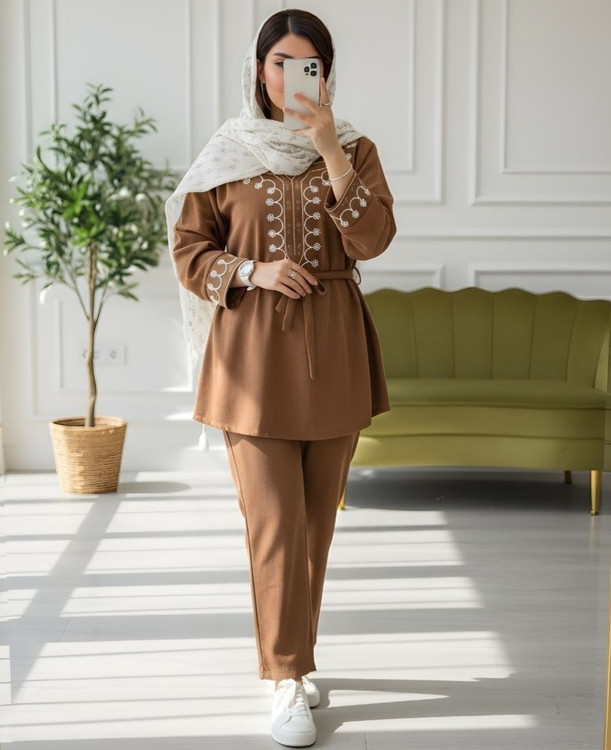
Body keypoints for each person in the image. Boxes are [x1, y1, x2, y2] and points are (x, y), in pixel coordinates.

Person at [166, 9, 395, 747]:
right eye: (279, 64)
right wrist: (252, 271)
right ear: (258, 70)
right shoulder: (226, 151)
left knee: (314, 526)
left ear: (325, 74)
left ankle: (293, 659)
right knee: (273, 525)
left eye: (308, 65)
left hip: (334, 351)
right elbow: (188, 248)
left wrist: (329, 153)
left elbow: (373, 240)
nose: (292, 78)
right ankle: (286, 680)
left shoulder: (353, 148)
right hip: (251, 357)